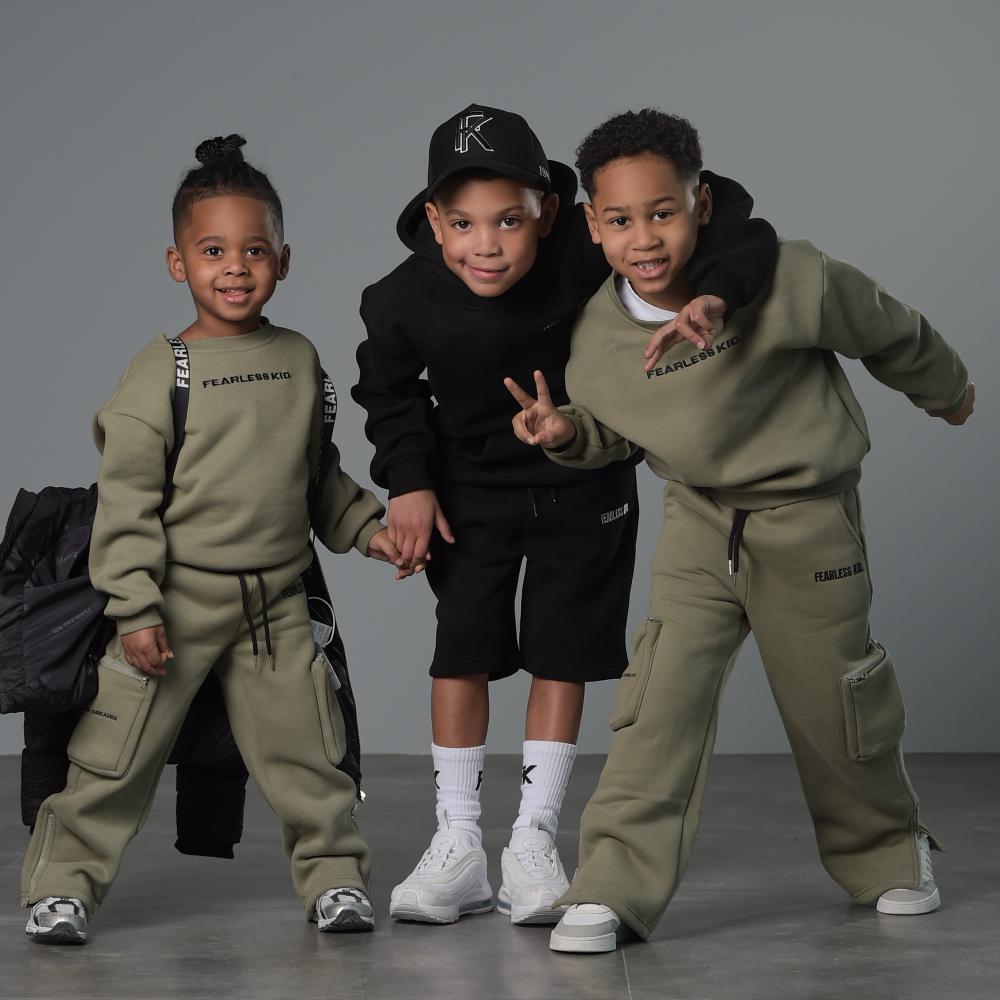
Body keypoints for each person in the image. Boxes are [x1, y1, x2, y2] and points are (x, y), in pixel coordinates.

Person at [506, 108, 974, 953]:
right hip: (698, 527)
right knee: (656, 706)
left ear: (704, 204)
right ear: (592, 225)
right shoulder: (598, 342)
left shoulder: (788, 279)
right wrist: (568, 433)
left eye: (664, 212)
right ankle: (611, 884)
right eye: (620, 220)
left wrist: (949, 391)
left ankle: (889, 855)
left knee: (838, 705)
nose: (644, 237)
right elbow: (620, 428)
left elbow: (887, 327)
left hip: (809, 522)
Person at [353, 102, 777, 925]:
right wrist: (408, 481)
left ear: (549, 212)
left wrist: (714, 291)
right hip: (466, 488)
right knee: (462, 651)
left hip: (586, 475)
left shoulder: (591, 244)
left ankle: (535, 840)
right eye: (466, 224)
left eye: (510, 221)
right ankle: (459, 844)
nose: (488, 244)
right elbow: (387, 394)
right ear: (434, 222)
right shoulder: (399, 299)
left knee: (564, 648)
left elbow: (729, 215)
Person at [21, 135, 403, 945]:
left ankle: (335, 878)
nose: (235, 266)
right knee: (113, 757)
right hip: (173, 600)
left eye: (254, 249)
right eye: (213, 250)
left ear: (285, 260)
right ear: (177, 262)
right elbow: (126, 503)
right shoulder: (164, 372)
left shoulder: (301, 360)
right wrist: (135, 607)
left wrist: (372, 532)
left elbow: (318, 479)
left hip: (279, 601)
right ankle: (62, 887)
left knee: (309, 752)